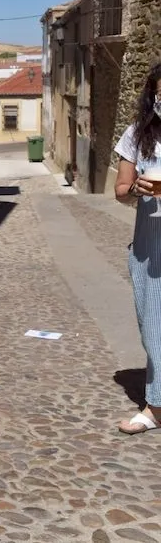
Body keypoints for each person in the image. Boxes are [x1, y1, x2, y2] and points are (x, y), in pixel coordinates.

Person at [114, 62, 161, 435]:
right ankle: (156, 407)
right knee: (154, 328)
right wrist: (136, 191)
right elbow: (120, 190)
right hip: (151, 247)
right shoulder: (136, 136)